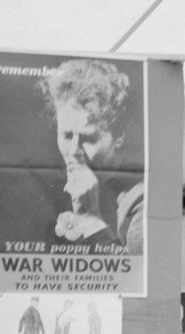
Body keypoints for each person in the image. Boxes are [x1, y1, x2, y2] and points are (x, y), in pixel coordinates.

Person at [37, 59, 143, 256]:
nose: (74, 151)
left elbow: (132, 279)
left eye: (88, 138)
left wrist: (92, 218)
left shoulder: (142, 203)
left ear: (120, 136)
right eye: (67, 136)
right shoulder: (68, 192)